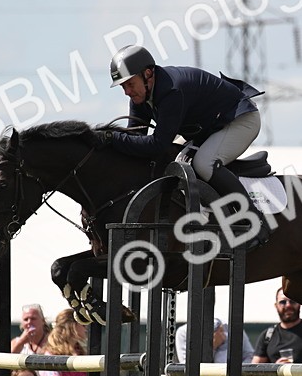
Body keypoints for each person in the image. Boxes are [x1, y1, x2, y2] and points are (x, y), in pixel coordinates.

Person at [104, 44, 270, 249]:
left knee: (203, 163)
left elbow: (156, 144)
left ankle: (254, 221)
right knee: (174, 161)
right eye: (123, 87)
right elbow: (136, 139)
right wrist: (111, 141)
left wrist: (112, 138)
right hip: (208, 128)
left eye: (130, 84)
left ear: (148, 74)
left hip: (240, 120)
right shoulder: (142, 94)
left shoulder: (172, 90)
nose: (127, 92)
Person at [176, 316, 255, 376]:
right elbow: (188, 366)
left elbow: (249, 356)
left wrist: (231, 374)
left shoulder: (232, 327)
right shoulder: (183, 332)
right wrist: (212, 346)